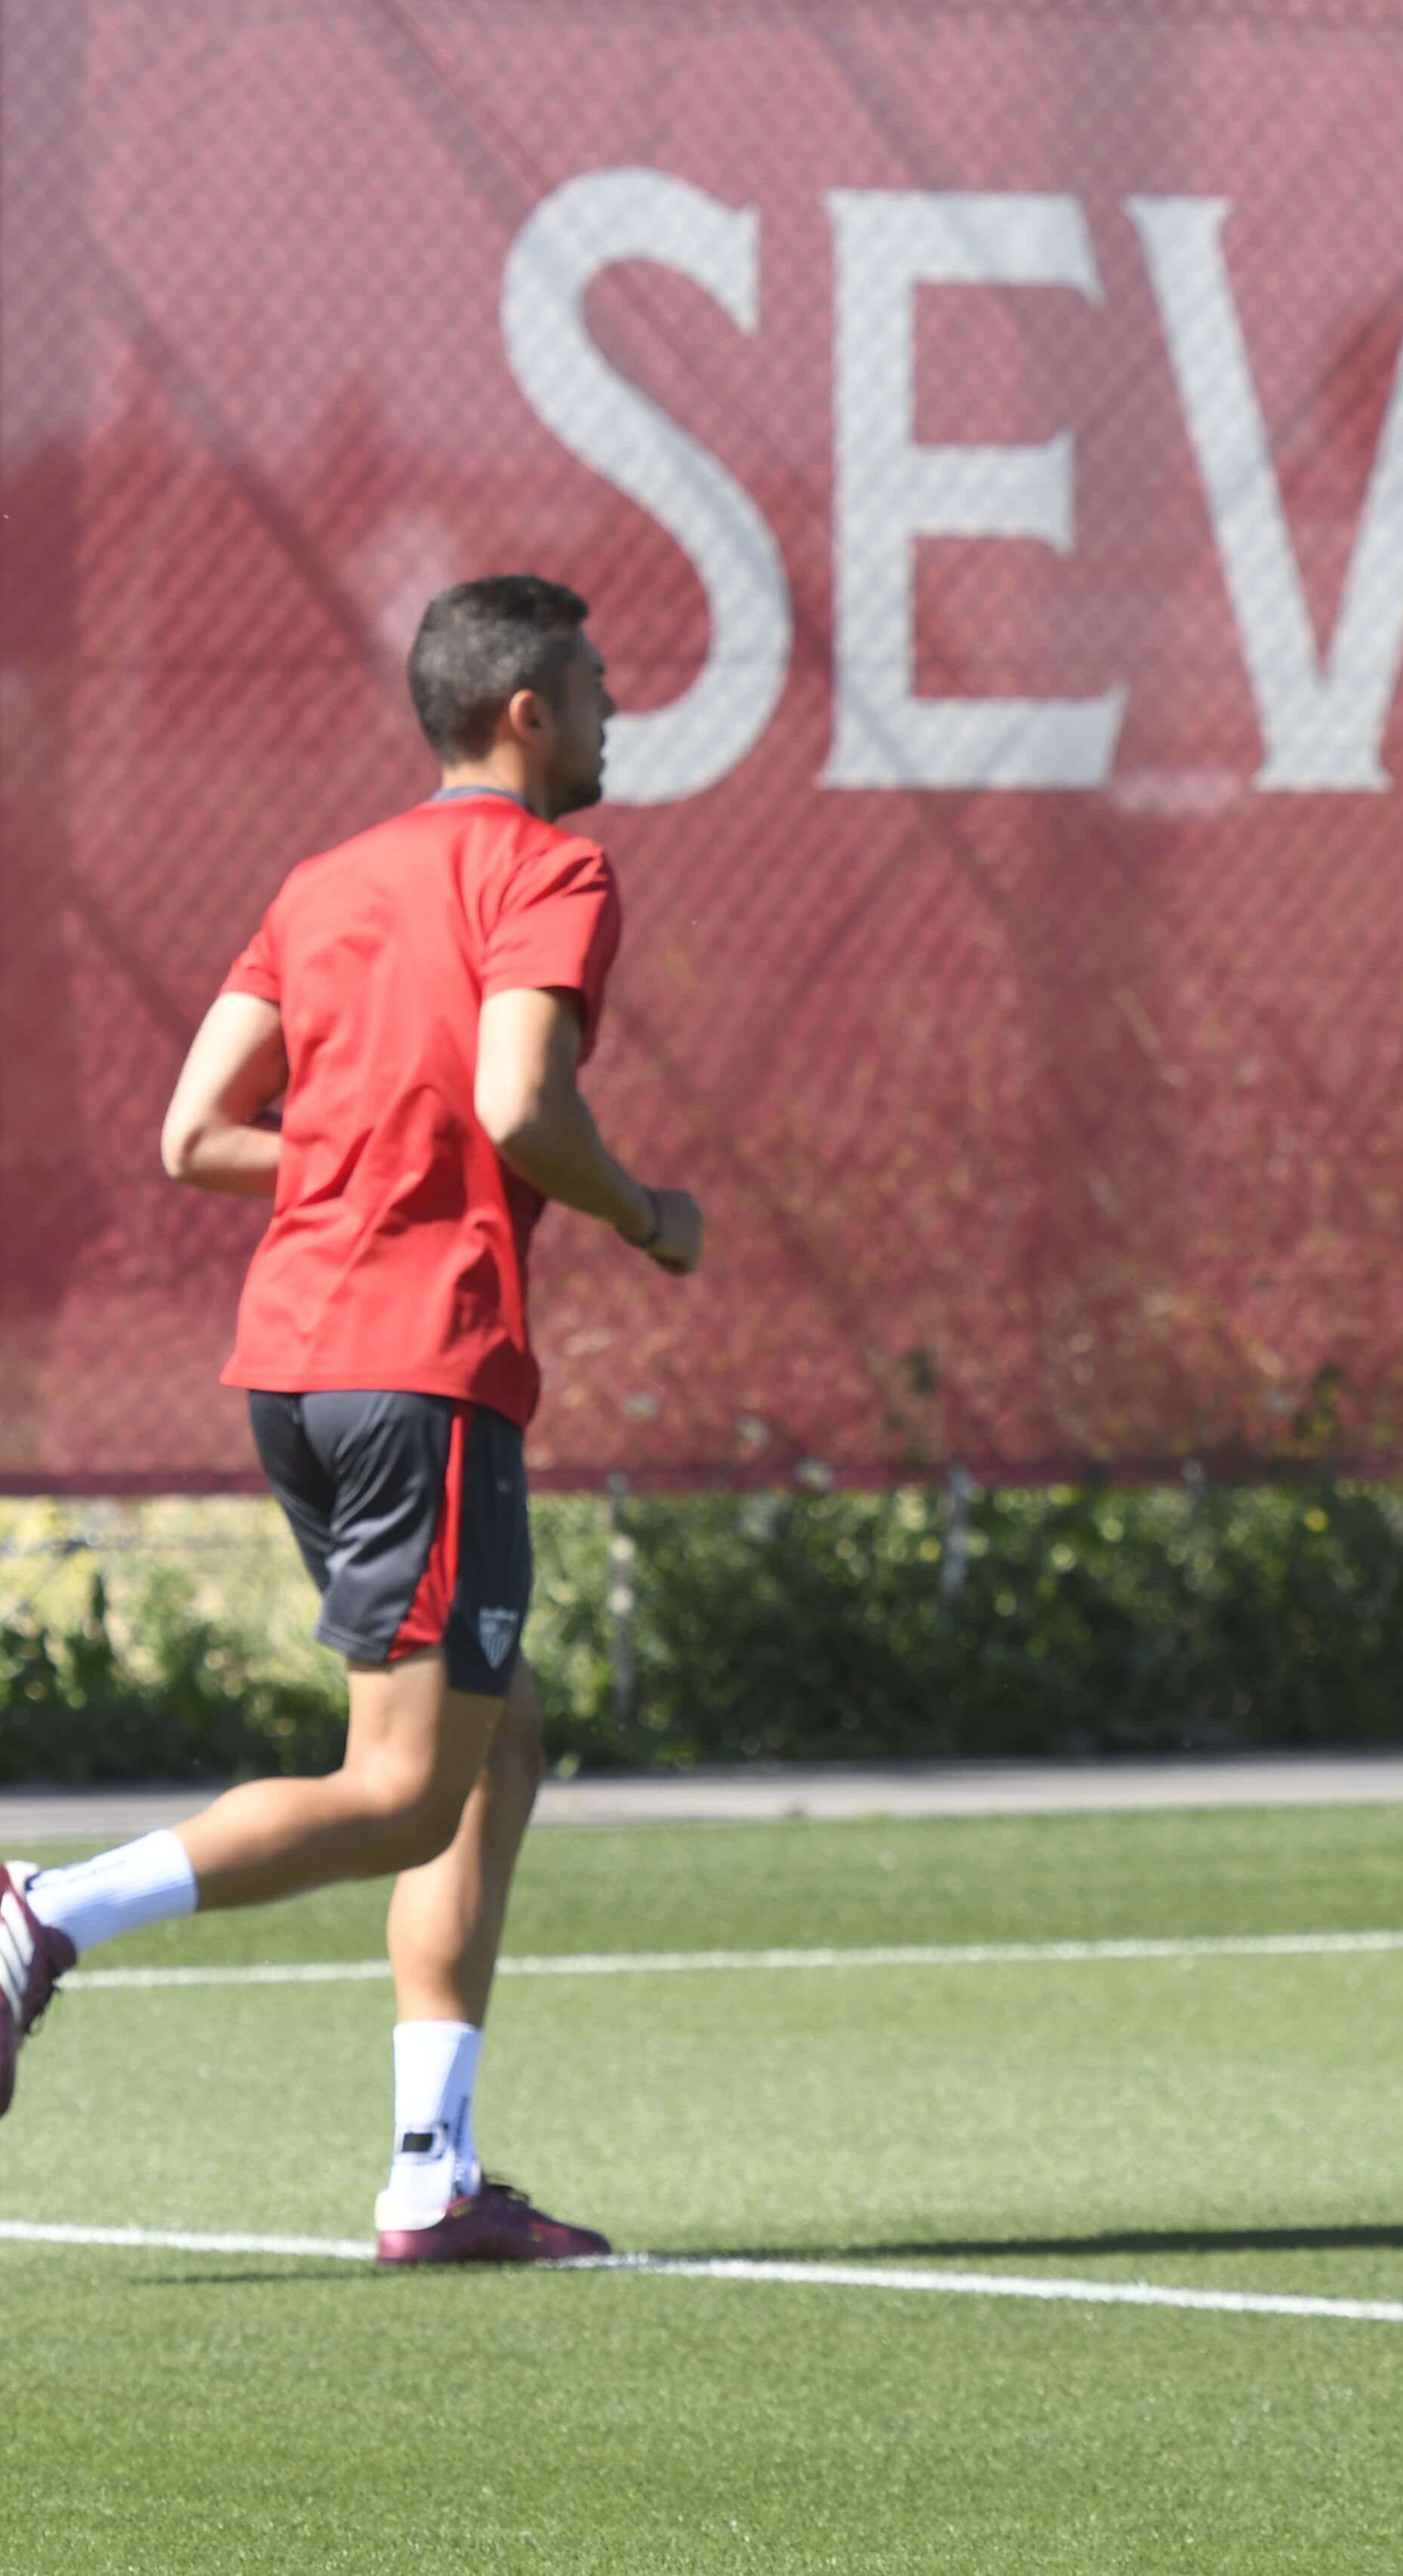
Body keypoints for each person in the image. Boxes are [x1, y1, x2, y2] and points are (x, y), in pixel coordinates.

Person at [0, 574, 703, 2267]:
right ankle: (41, 1915)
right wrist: (639, 1212)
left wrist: (369, 1156)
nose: (613, 713)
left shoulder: (324, 882)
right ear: (525, 709)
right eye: (597, 687)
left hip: (298, 1367)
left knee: (493, 1755)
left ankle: (429, 2177)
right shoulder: (549, 867)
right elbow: (523, 1098)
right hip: (422, 1367)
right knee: (401, 1791)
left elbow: (198, 1132)